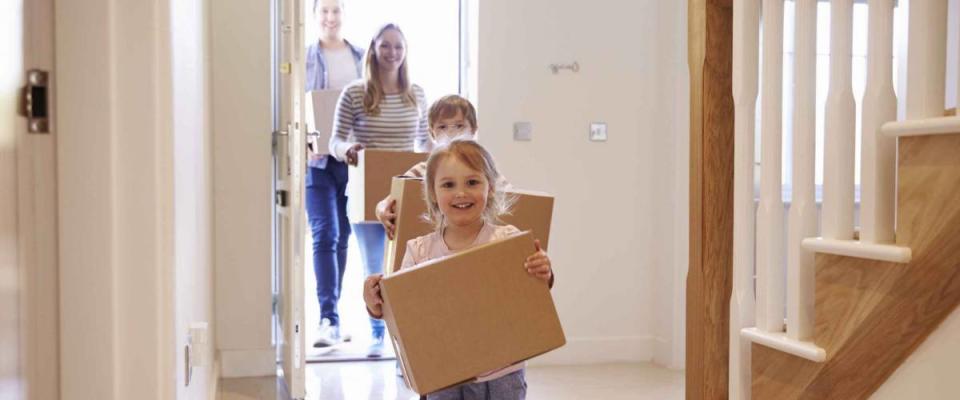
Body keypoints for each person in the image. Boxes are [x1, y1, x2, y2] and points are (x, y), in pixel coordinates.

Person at [362, 139, 554, 400]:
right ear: (432, 193)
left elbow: (532, 292)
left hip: (504, 375)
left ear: (491, 188)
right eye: (448, 185)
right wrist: (373, 300)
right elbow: (400, 315)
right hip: (443, 377)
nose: (461, 193)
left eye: (472, 182)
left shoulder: (507, 240)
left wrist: (544, 272)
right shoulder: (419, 251)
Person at [328, 23, 429, 357]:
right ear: (373, 49)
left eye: (398, 47)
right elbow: (335, 141)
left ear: (406, 51)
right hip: (368, 193)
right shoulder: (356, 93)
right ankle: (377, 332)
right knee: (376, 266)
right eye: (385, 46)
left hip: (409, 195)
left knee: (409, 267)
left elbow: (426, 143)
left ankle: (407, 342)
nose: (392, 53)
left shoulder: (416, 93)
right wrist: (348, 150)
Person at [304, 0, 364, 348]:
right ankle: (328, 317)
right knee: (324, 233)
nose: (330, 17)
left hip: (352, 159)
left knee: (343, 237)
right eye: (324, 10)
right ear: (315, 16)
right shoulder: (307, 56)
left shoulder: (359, 56)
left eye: (336, 10)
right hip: (317, 161)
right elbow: (296, 102)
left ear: (344, 14)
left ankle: (335, 314)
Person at [375, 94, 479, 239]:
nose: (450, 133)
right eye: (442, 127)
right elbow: (390, 199)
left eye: (459, 126)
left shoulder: (482, 168)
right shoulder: (423, 169)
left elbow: (511, 196)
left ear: (473, 130)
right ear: (432, 133)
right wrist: (382, 210)